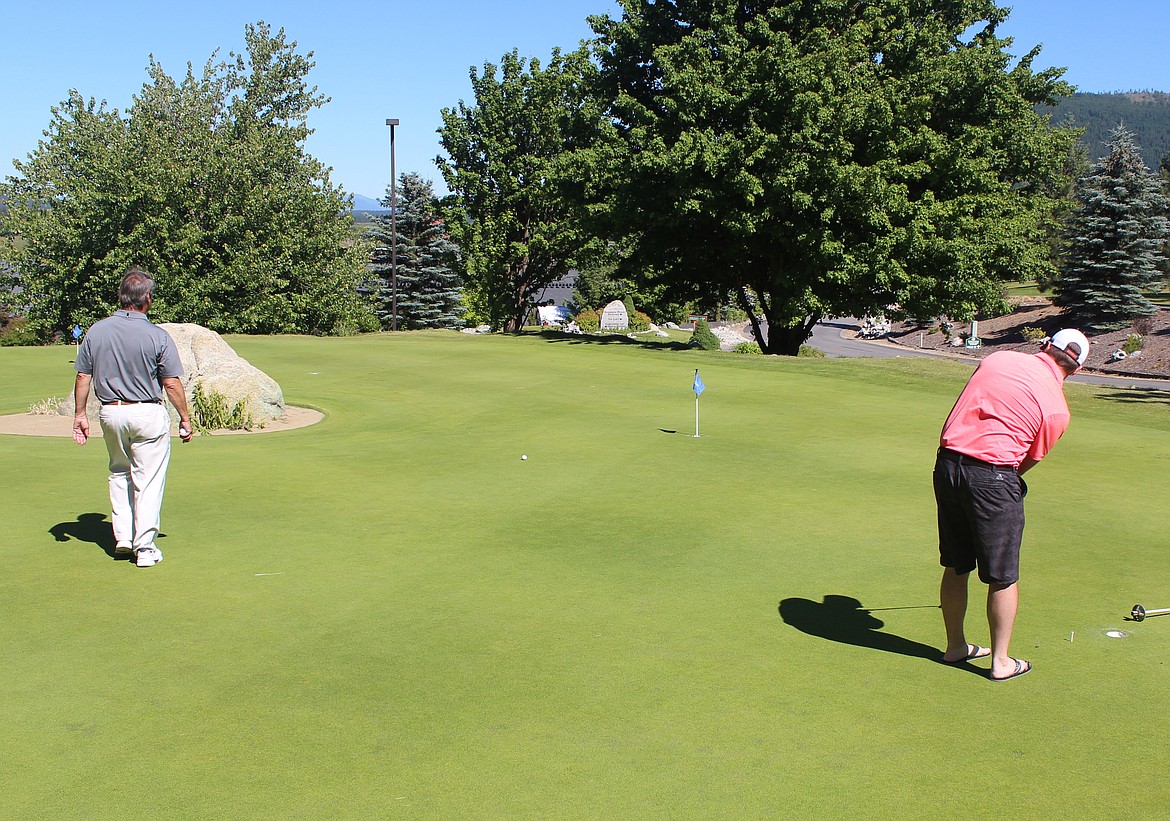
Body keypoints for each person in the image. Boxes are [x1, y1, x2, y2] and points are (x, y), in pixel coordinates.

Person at [933, 328, 1090, 681]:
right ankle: (1001, 662)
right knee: (1003, 575)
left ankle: (955, 646)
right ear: (1076, 369)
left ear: (1045, 345)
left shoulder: (997, 358)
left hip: (947, 465)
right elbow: (1027, 459)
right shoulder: (1057, 410)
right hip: (994, 475)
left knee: (957, 563)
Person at [72, 266, 193, 567]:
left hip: (111, 412)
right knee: (147, 478)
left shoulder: (97, 331)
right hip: (146, 411)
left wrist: (78, 415)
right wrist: (185, 418)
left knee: (119, 471)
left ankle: (123, 537)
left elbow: (83, 376)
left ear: (121, 297)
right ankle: (145, 547)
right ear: (147, 299)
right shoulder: (157, 335)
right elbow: (171, 383)